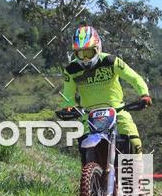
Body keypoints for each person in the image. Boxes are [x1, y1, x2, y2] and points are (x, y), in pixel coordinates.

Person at [61, 25, 152, 154]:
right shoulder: (71, 70)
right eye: (80, 54)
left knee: (135, 142)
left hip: (118, 112)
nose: (85, 58)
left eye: (88, 52)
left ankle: (140, 173)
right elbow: (68, 95)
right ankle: (91, 172)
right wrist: (67, 107)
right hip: (89, 115)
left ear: (97, 48)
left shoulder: (111, 61)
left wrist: (144, 94)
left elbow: (135, 78)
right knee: (84, 148)